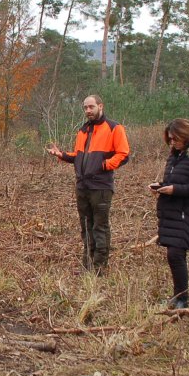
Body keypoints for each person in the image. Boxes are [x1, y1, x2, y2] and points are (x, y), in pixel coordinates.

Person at [47, 95, 130, 274]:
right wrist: (60, 154)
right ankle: (88, 264)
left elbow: (123, 154)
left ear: (101, 106)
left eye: (91, 107)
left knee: (100, 226)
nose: (88, 111)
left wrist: (103, 166)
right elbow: (78, 156)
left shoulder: (114, 128)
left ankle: (100, 267)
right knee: (85, 226)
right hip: (82, 186)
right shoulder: (83, 130)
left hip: (101, 187)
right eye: (85, 108)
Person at [149, 119, 189, 309]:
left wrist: (175, 190)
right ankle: (179, 296)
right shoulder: (175, 156)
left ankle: (182, 299)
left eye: (175, 139)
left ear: (185, 137)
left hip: (188, 215)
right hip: (173, 213)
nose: (172, 143)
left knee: (176, 254)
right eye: (169, 140)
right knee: (174, 255)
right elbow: (174, 181)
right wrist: (160, 187)